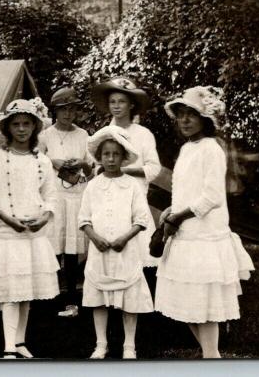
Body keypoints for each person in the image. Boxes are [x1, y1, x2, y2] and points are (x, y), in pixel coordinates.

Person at [155, 86, 254, 358]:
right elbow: (186, 190)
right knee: (185, 302)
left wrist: (179, 215)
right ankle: (211, 355)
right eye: (181, 115)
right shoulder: (187, 148)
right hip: (184, 232)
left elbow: (211, 197)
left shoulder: (211, 149)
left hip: (204, 233)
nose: (185, 120)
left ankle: (211, 356)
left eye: (192, 115)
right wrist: (169, 211)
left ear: (206, 119)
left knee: (203, 303)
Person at [0, 99, 60, 359]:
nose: (22, 129)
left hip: (34, 234)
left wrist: (45, 217)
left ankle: (20, 341)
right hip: (7, 233)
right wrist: (6, 218)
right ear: (7, 128)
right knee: (12, 292)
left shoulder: (42, 161)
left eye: (27, 124)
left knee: (26, 292)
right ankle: (8, 348)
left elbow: (51, 195)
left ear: (35, 127)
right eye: (16, 124)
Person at [79, 125, 154, 360]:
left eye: (115, 154)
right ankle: (101, 344)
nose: (111, 159)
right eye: (106, 154)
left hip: (125, 249)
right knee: (98, 296)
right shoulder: (92, 186)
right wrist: (95, 238)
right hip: (99, 250)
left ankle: (129, 345)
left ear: (123, 157)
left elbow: (141, 219)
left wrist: (124, 238)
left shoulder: (131, 185)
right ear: (99, 157)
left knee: (129, 296)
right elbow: (84, 218)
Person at [91, 76, 160, 267]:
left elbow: (154, 168)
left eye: (122, 101)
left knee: (140, 258)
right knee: (111, 257)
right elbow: (95, 166)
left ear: (131, 105)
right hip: (109, 201)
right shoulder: (103, 134)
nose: (116, 106)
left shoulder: (143, 134)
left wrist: (126, 170)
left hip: (134, 201)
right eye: (112, 102)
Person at [38, 87, 92, 318]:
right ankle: (49, 297)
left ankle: (71, 299)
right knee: (52, 248)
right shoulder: (44, 136)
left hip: (76, 196)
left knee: (72, 250)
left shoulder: (83, 135)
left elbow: (92, 167)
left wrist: (81, 163)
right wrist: (55, 162)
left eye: (73, 109)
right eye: (64, 109)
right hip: (54, 197)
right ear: (55, 111)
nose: (69, 114)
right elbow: (35, 163)